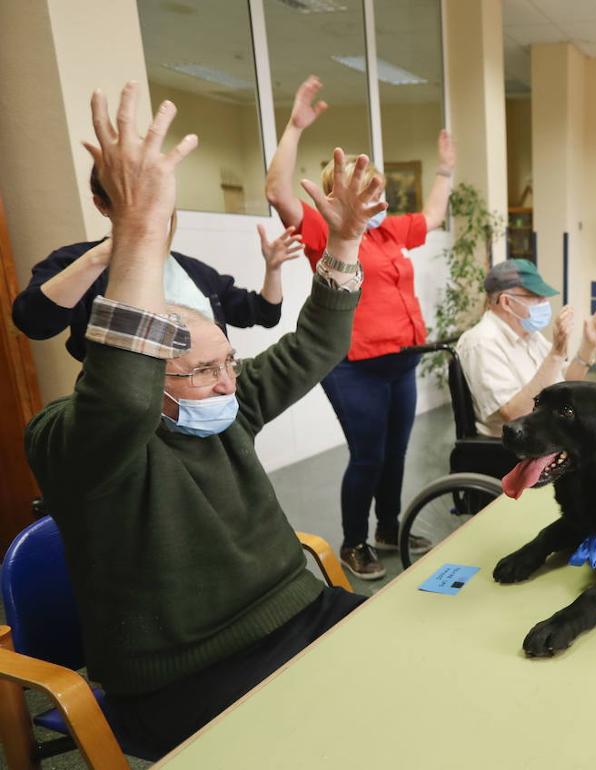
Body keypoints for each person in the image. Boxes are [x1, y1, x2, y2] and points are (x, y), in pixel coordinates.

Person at [24, 84, 380, 760]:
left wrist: (345, 242)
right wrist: (135, 231)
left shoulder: (225, 408)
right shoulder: (71, 443)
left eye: (229, 363)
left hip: (297, 612)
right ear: (143, 376)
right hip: (189, 674)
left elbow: (315, 346)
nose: (226, 382)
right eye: (203, 371)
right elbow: (121, 398)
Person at [264, 74, 455, 580]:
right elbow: (276, 190)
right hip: (353, 367)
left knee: (396, 452)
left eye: (378, 191)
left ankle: (390, 527)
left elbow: (434, 214)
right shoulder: (322, 230)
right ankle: (354, 543)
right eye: (368, 191)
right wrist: (293, 128)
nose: (378, 200)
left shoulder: (390, 230)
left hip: (401, 359)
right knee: (367, 456)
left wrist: (446, 170)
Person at [12, 166, 294, 362]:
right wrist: (106, 253)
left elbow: (262, 314)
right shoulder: (77, 261)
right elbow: (35, 323)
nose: (152, 212)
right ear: (102, 205)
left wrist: (273, 269)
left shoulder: (193, 272)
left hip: (203, 403)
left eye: (159, 200)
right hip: (123, 415)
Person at [457, 259, 596, 438]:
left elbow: (566, 382)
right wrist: (555, 354)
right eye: (536, 296)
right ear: (506, 302)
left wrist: (588, 345)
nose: (544, 302)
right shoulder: (482, 342)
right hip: (519, 444)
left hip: (549, 432)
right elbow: (514, 415)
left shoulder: (530, 335)